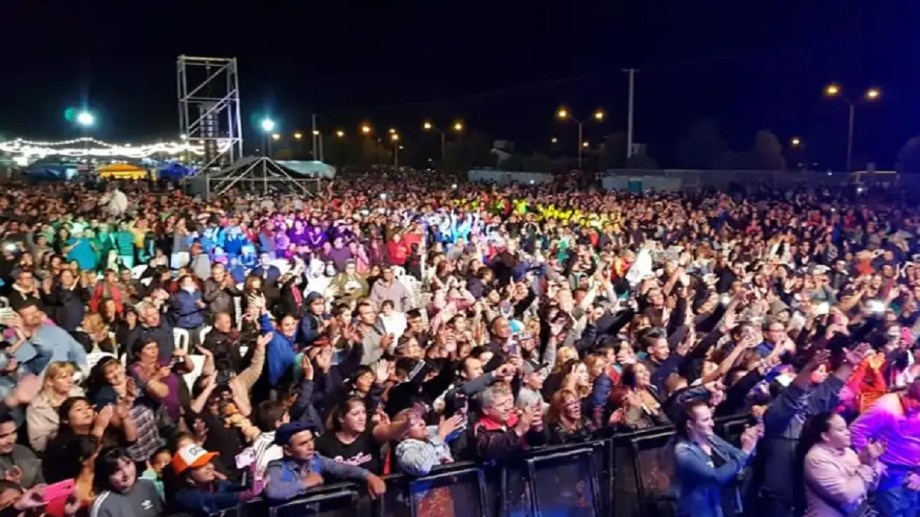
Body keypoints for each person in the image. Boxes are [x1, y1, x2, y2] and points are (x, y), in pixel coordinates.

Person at [671, 399, 760, 517]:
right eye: (705, 420)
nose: (712, 423)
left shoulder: (712, 438)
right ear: (690, 424)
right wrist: (745, 452)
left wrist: (751, 439)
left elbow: (740, 458)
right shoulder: (684, 452)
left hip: (725, 507)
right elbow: (715, 477)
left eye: (711, 418)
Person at [264, 421, 386, 502]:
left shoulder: (316, 460)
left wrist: (369, 476)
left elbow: (343, 469)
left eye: (311, 440)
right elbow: (274, 491)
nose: (310, 446)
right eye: (303, 444)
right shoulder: (277, 467)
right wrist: (306, 483)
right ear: (288, 450)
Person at [849, 379, 920, 517]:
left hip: (915, 473)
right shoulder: (885, 408)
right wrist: (872, 462)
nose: (917, 411)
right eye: (916, 407)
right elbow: (856, 431)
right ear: (907, 395)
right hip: (890, 473)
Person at [798, 411, 885, 517]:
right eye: (841, 430)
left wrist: (872, 460)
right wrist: (865, 466)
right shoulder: (816, 459)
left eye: (846, 428)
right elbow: (847, 496)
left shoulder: (848, 451)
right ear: (825, 436)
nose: (848, 433)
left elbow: (870, 486)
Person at [172, 443, 260, 515]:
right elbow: (211, 500)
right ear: (187, 475)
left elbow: (242, 489)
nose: (210, 466)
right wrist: (242, 496)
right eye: (202, 465)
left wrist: (253, 473)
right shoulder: (184, 496)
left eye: (209, 462)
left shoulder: (218, 484)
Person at [25, 361, 84, 452]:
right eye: (64, 377)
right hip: (57, 452)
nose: (70, 380)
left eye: (71, 376)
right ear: (50, 381)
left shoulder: (79, 394)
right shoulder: (37, 407)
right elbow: (38, 443)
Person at [90, 446, 163, 517]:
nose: (126, 473)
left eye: (128, 463)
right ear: (106, 476)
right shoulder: (103, 506)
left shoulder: (147, 485)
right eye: (117, 470)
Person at [0, 412, 43, 488]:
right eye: (3, 436)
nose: (11, 440)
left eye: (14, 432)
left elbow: (40, 484)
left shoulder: (24, 452)